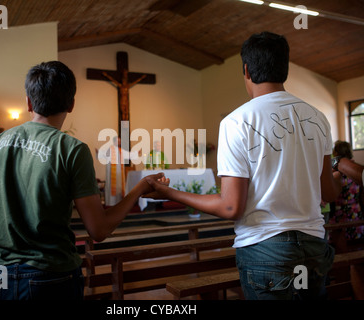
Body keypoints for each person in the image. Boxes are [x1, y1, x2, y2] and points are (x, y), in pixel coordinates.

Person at [145, 32, 341, 300]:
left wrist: (170, 193)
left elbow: (230, 207)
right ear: (285, 68)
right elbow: (329, 194)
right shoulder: (318, 118)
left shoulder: (236, 122)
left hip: (266, 248)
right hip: (313, 247)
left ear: (246, 70)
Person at [0, 61, 167, 300]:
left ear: (28, 102)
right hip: (49, 275)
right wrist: (139, 188)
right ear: (72, 104)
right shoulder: (71, 149)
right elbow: (98, 230)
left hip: (1, 273)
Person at [330, 141, 364, 242]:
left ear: (335, 152)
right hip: (355, 212)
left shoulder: (333, 171)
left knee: (340, 247)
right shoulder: (356, 170)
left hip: (339, 213)